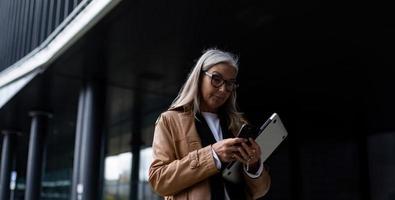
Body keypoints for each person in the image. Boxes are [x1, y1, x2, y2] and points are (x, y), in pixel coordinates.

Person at [149, 48, 271, 200]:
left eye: (230, 83)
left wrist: (254, 166)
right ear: (199, 77)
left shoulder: (239, 124)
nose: (223, 89)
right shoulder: (170, 120)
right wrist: (213, 155)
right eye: (216, 79)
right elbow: (159, 181)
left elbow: (260, 191)